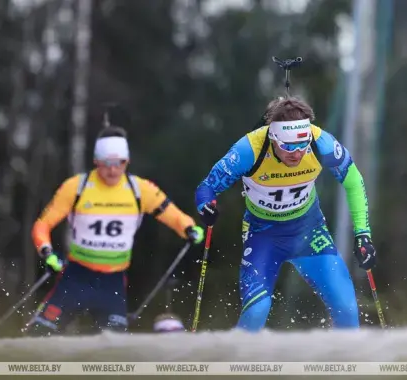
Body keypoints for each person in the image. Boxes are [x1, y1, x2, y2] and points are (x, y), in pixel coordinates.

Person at [194, 97, 377, 331]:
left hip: (308, 231)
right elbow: (207, 187)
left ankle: (339, 366)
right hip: (263, 235)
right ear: (272, 137)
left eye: (302, 145)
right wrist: (205, 206)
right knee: (256, 312)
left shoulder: (321, 142)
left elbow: (353, 181)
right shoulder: (250, 148)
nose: (296, 153)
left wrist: (363, 234)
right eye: (288, 146)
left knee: (348, 310)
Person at [26, 125, 205, 336]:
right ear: (96, 161)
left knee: (114, 348)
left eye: (119, 163)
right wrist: (47, 252)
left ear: (127, 161)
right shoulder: (76, 187)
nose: (112, 170)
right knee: (39, 335)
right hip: (76, 278)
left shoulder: (140, 190)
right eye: (106, 164)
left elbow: (173, 215)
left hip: (112, 284)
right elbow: (42, 224)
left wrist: (189, 228)